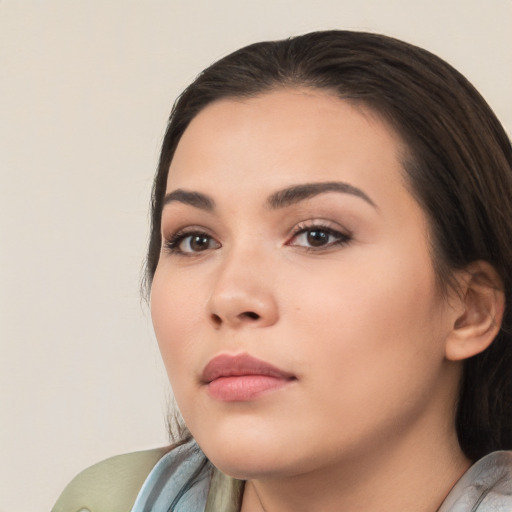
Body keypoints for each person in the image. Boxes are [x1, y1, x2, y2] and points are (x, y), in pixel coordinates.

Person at [53, 30, 512, 512]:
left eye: (317, 235)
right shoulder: (109, 501)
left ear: (471, 310)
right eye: (195, 240)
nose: (229, 296)